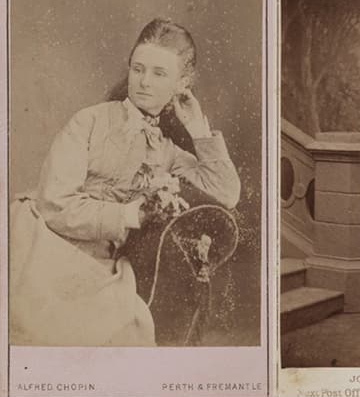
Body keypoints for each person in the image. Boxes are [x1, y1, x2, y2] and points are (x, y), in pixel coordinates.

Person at [9, 18, 241, 346]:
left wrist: (198, 130)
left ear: (182, 83)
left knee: (115, 330)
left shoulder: (166, 150)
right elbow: (54, 204)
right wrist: (129, 216)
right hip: (40, 239)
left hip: (99, 263)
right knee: (40, 326)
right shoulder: (89, 121)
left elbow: (226, 192)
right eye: (138, 69)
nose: (144, 82)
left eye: (159, 73)